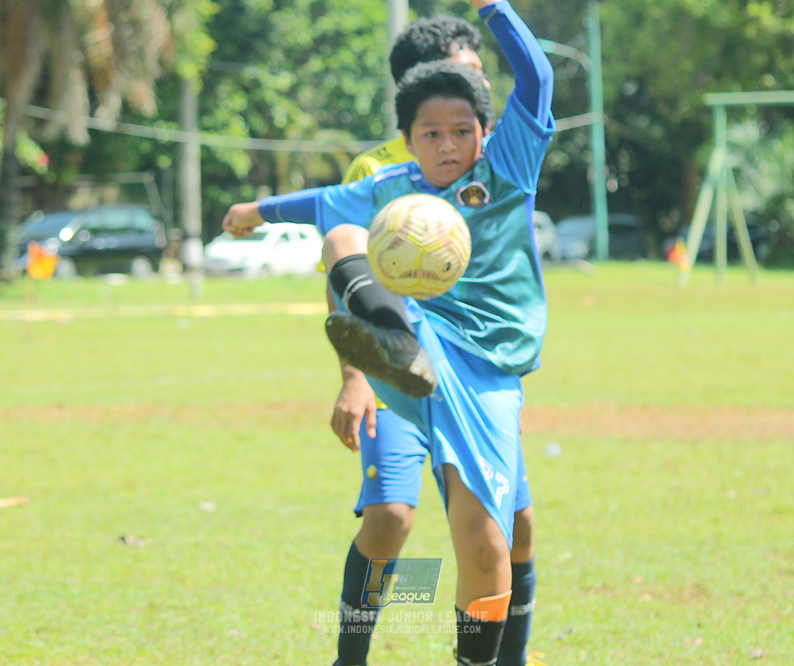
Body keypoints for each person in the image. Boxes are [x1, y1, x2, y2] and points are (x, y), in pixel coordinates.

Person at [223, 1, 553, 663]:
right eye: (431, 131)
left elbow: (537, 80)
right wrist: (256, 211)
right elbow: (325, 211)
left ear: (486, 129)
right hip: (410, 352)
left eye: (466, 123)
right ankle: (389, 340)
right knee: (392, 517)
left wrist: (496, 9)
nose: (448, 140)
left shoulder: (507, 165)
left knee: (493, 540)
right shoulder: (386, 180)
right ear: (408, 134)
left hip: (485, 370)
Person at [325, 14, 541, 666]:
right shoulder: (378, 172)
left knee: (515, 531)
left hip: (473, 382)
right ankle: (351, 657)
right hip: (401, 380)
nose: (479, 79)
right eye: (468, 66)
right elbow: (340, 271)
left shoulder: (484, 154)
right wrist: (355, 377)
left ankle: (509, 657)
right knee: (392, 518)